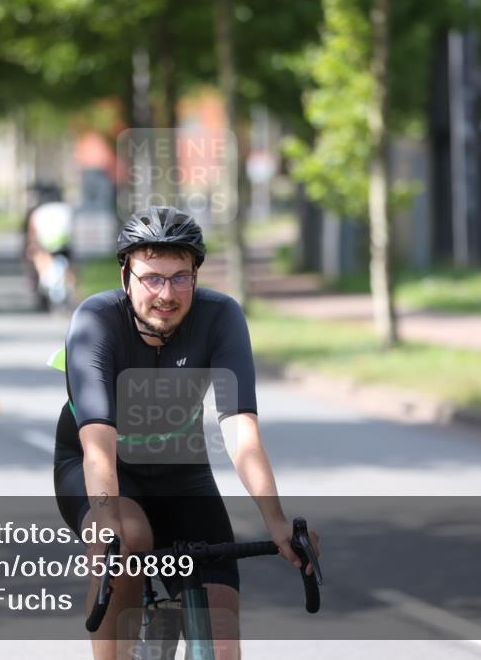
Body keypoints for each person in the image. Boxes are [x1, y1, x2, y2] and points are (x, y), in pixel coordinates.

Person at [53, 206, 318, 659]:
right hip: (100, 466)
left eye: (180, 278)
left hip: (181, 473)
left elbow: (241, 432)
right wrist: (107, 524)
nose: (166, 294)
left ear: (196, 275)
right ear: (125, 276)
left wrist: (276, 521)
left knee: (222, 638)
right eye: (152, 278)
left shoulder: (220, 316)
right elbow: (97, 446)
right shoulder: (95, 321)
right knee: (129, 537)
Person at [23, 182, 74, 310]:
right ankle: (70, 289)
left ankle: (41, 286)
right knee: (70, 268)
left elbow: (32, 235)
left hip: (46, 246)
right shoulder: (68, 209)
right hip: (65, 246)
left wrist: (31, 247)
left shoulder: (38, 212)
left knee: (37, 258)